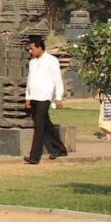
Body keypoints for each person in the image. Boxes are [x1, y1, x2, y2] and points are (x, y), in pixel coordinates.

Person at [23, 35, 68, 164]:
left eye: (32, 49)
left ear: (40, 48)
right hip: (34, 96)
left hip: (44, 97)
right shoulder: (32, 62)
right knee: (46, 125)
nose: (30, 51)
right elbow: (29, 80)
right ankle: (60, 148)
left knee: (39, 126)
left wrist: (58, 97)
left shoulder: (51, 61)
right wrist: (27, 97)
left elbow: (57, 80)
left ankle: (34, 156)